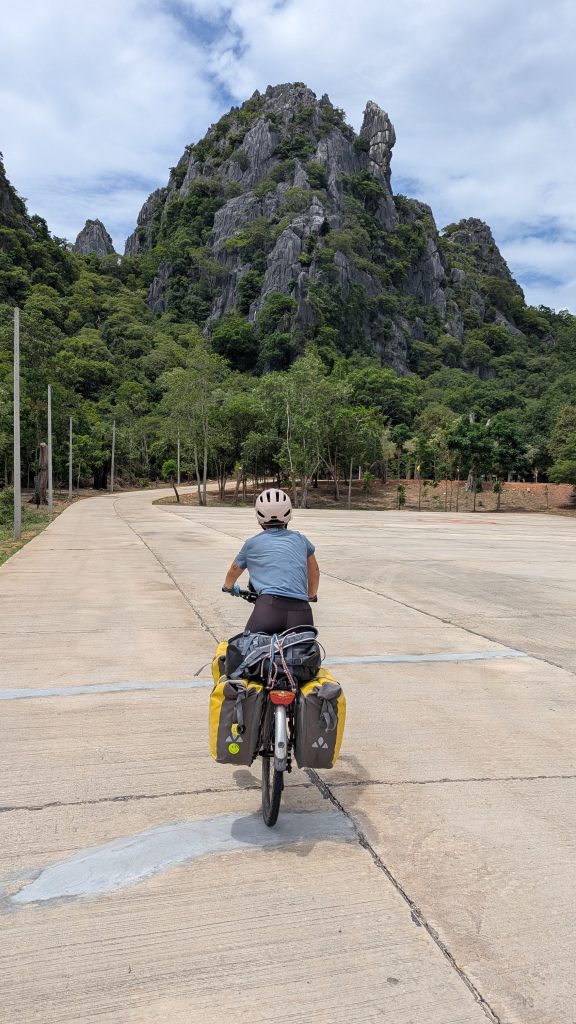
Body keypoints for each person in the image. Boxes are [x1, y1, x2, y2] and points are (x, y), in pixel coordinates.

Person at [222, 488, 320, 633]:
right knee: (302, 652)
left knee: (247, 650)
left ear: (260, 517)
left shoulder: (252, 544)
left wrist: (228, 587)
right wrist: (311, 595)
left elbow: (234, 569)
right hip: (302, 612)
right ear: (288, 514)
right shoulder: (302, 540)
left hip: (269, 609)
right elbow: (315, 572)